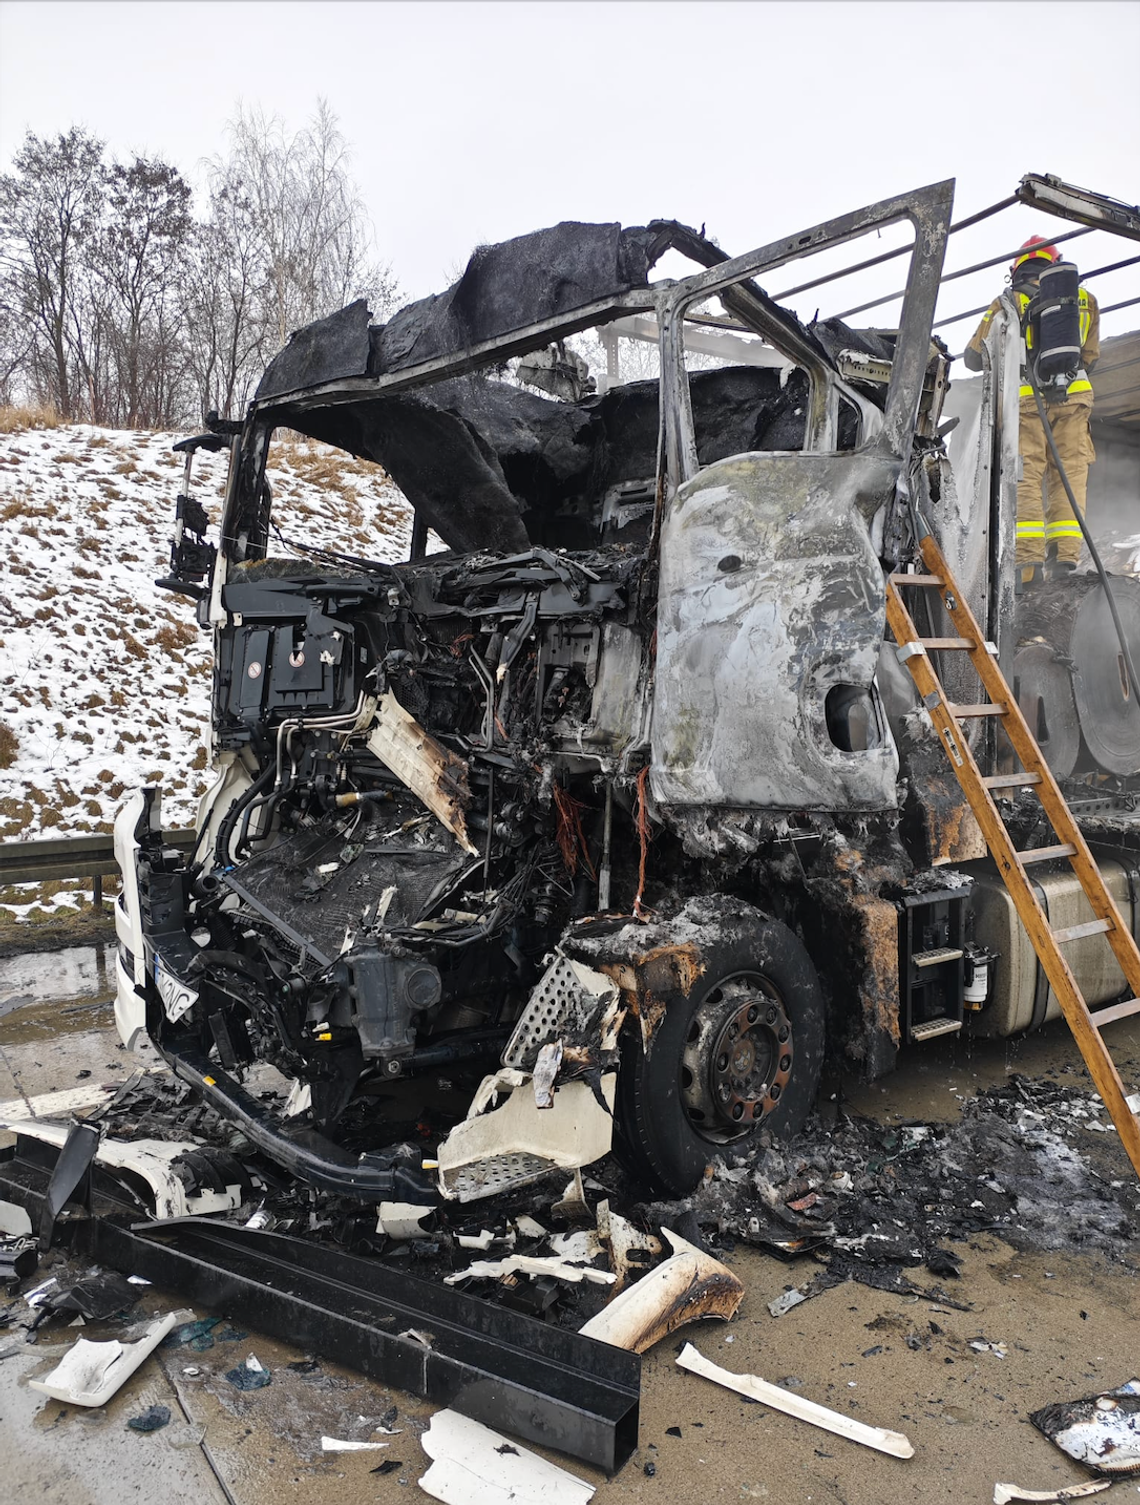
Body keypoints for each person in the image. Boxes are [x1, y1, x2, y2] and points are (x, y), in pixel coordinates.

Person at [964, 236, 1099, 590]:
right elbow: (1091, 357)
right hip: (1074, 399)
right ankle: (1066, 559)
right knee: (1068, 477)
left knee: (1026, 477)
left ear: (1016, 270)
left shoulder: (1006, 303)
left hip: (1027, 402)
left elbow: (973, 357)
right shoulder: (1084, 300)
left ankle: (1028, 565)